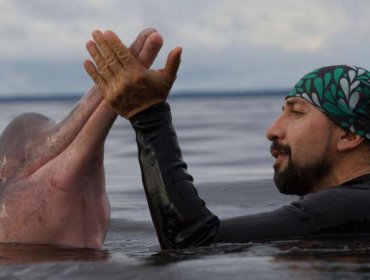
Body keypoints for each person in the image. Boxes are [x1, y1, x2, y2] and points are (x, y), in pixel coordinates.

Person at [85, 30, 370, 250]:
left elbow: (192, 241)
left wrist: (147, 115)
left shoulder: (349, 205)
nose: (272, 130)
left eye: (296, 112)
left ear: (349, 134)